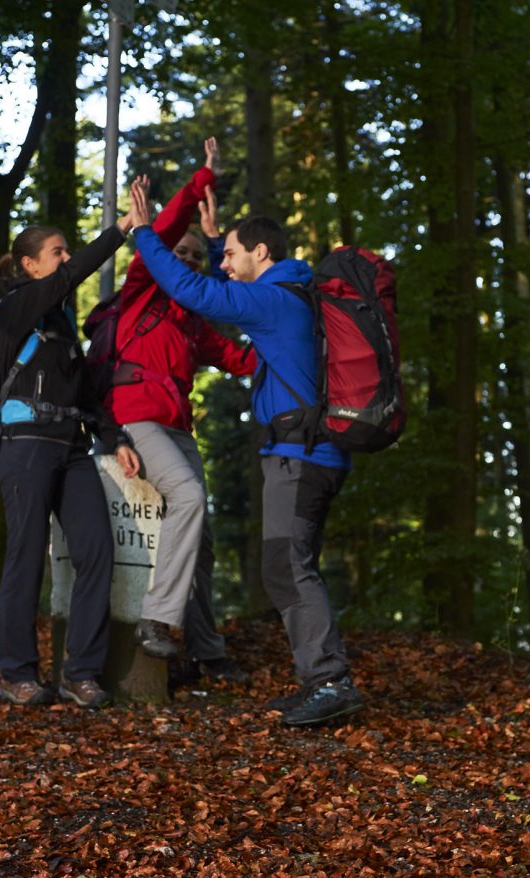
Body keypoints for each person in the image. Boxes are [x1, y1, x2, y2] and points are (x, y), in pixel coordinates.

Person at [132, 178, 366, 727]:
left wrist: (145, 234)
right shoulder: (293, 295)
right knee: (286, 565)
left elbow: (196, 292)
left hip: (301, 456)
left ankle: (331, 680)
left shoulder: (273, 299)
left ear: (261, 252)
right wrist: (216, 244)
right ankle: (320, 678)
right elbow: (223, 283)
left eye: (233, 254)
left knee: (289, 566)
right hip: (311, 452)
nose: (226, 263)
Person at [0, 176, 149, 710]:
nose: (65, 259)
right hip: (25, 444)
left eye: (65, 251)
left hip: (71, 446)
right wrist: (120, 230)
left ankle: (79, 672)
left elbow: (88, 393)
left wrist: (114, 437)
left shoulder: (61, 328)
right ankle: (16, 673)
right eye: (56, 252)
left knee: (96, 550)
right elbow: (72, 276)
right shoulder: (14, 310)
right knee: (26, 556)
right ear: (29, 265)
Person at [101, 138, 253, 684]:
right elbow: (162, 234)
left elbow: (241, 357)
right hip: (137, 414)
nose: (186, 261)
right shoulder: (142, 288)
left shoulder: (194, 324)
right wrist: (199, 183)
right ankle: (156, 621)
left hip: (175, 424)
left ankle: (206, 650)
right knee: (188, 495)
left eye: (195, 257)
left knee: (202, 538)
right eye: (180, 255)